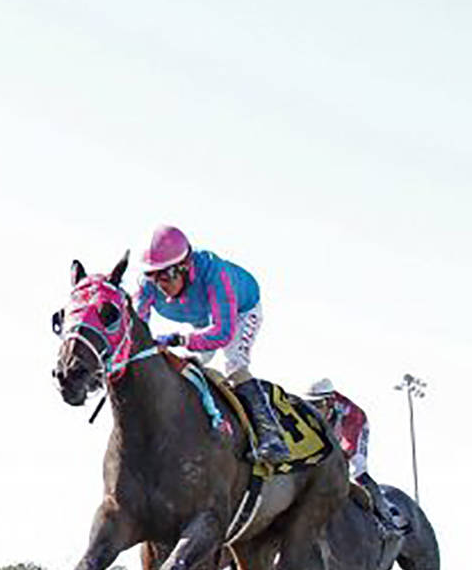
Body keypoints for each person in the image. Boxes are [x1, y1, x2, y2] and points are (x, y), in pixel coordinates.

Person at [133, 225, 286, 463]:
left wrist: (177, 339)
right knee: (186, 364)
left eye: (165, 276)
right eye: (152, 276)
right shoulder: (147, 283)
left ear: (184, 266)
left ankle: (272, 437)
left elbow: (222, 334)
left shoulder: (216, 275)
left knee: (234, 364)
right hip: (201, 318)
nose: (159, 284)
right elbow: (136, 326)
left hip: (239, 312)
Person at [307, 379, 408, 535]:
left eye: (317, 405)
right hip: (332, 424)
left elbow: (346, 452)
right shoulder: (315, 411)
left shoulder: (352, 416)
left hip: (354, 427)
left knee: (356, 470)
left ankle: (388, 515)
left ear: (330, 402)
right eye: (309, 405)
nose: (313, 410)